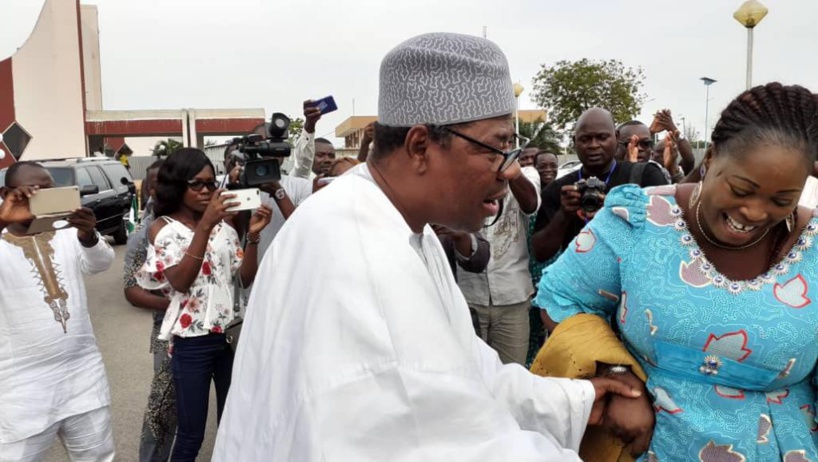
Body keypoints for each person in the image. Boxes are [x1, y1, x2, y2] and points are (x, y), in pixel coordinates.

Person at [213, 32, 641, 462]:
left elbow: (470, 372)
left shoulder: (405, 227)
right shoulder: (353, 251)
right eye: (498, 148)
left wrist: (579, 400)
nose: (508, 171)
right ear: (420, 147)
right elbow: (434, 442)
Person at [532, 82, 818, 461]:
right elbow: (561, 298)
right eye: (740, 189)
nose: (754, 212)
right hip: (648, 446)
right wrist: (618, 375)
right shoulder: (639, 219)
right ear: (711, 158)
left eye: (782, 199)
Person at [137, 148, 272, 461]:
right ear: (176, 186)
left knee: (232, 426)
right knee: (191, 435)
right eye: (196, 183)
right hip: (192, 343)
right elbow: (181, 281)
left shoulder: (225, 228)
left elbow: (244, 278)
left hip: (230, 338)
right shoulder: (163, 229)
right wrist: (205, 226)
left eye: (211, 183)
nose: (206, 190)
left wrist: (253, 238)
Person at [0, 161, 115, 461]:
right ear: (5, 194)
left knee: (97, 456)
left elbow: (101, 263)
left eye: (48, 190)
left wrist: (88, 235)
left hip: (82, 375)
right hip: (20, 388)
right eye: (31, 192)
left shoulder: (65, 231)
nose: (41, 198)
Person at [530, 108, 669, 265]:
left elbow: (667, 235)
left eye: (602, 137)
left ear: (616, 137)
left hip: (633, 276)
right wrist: (563, 215)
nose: (594, 145)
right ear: (574, 141)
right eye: (585, 139)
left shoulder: (645, 176)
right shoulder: (559, 190)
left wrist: (617, 212)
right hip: (580, 277)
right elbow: (540, 253)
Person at [458, 139, 541, 366]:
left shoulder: (526, 173)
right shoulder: (461, 177)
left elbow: (531, 204)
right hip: (468, 298)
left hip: (513, 298)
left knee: (513, 371)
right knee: (471, 371)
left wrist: (513, 174)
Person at [124, 160, 177, 462]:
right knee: (163, 405)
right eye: (157, 183)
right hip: (167, 332)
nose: (163, 189)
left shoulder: (206, 225)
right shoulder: (142, 236)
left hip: (215, 332)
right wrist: (176, 305)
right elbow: (132, 291)